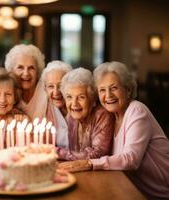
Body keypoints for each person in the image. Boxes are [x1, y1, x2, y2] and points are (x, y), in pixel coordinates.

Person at [59, 62, 169, 199]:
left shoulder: (137, 111)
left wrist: (89, 163)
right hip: (134, 192)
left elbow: (131, 159)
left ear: (127, 90)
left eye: (114, 88)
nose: (108, 95)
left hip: (161, 194)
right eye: (102, 90)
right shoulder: (110, 116)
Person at [57, 67, 114, 160]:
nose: (74, 104)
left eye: (81, 97)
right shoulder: (71, 117)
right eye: (69, 97)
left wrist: (57, 152)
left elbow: (97, 155)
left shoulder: (102, 115)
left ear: (92, 99)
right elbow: (74, 154)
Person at [4, 44, 45, 119]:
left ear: (38, 72)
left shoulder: (46, 96)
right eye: (20, 67)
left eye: (31, 68)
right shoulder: (5, 96)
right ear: (11, 71)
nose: (26, 73)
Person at [40, 60, 72, 147]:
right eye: (50, 86)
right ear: (45, 89)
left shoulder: (79, 108)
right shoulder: (44, 113)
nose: (56, 92)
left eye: (61, 85)